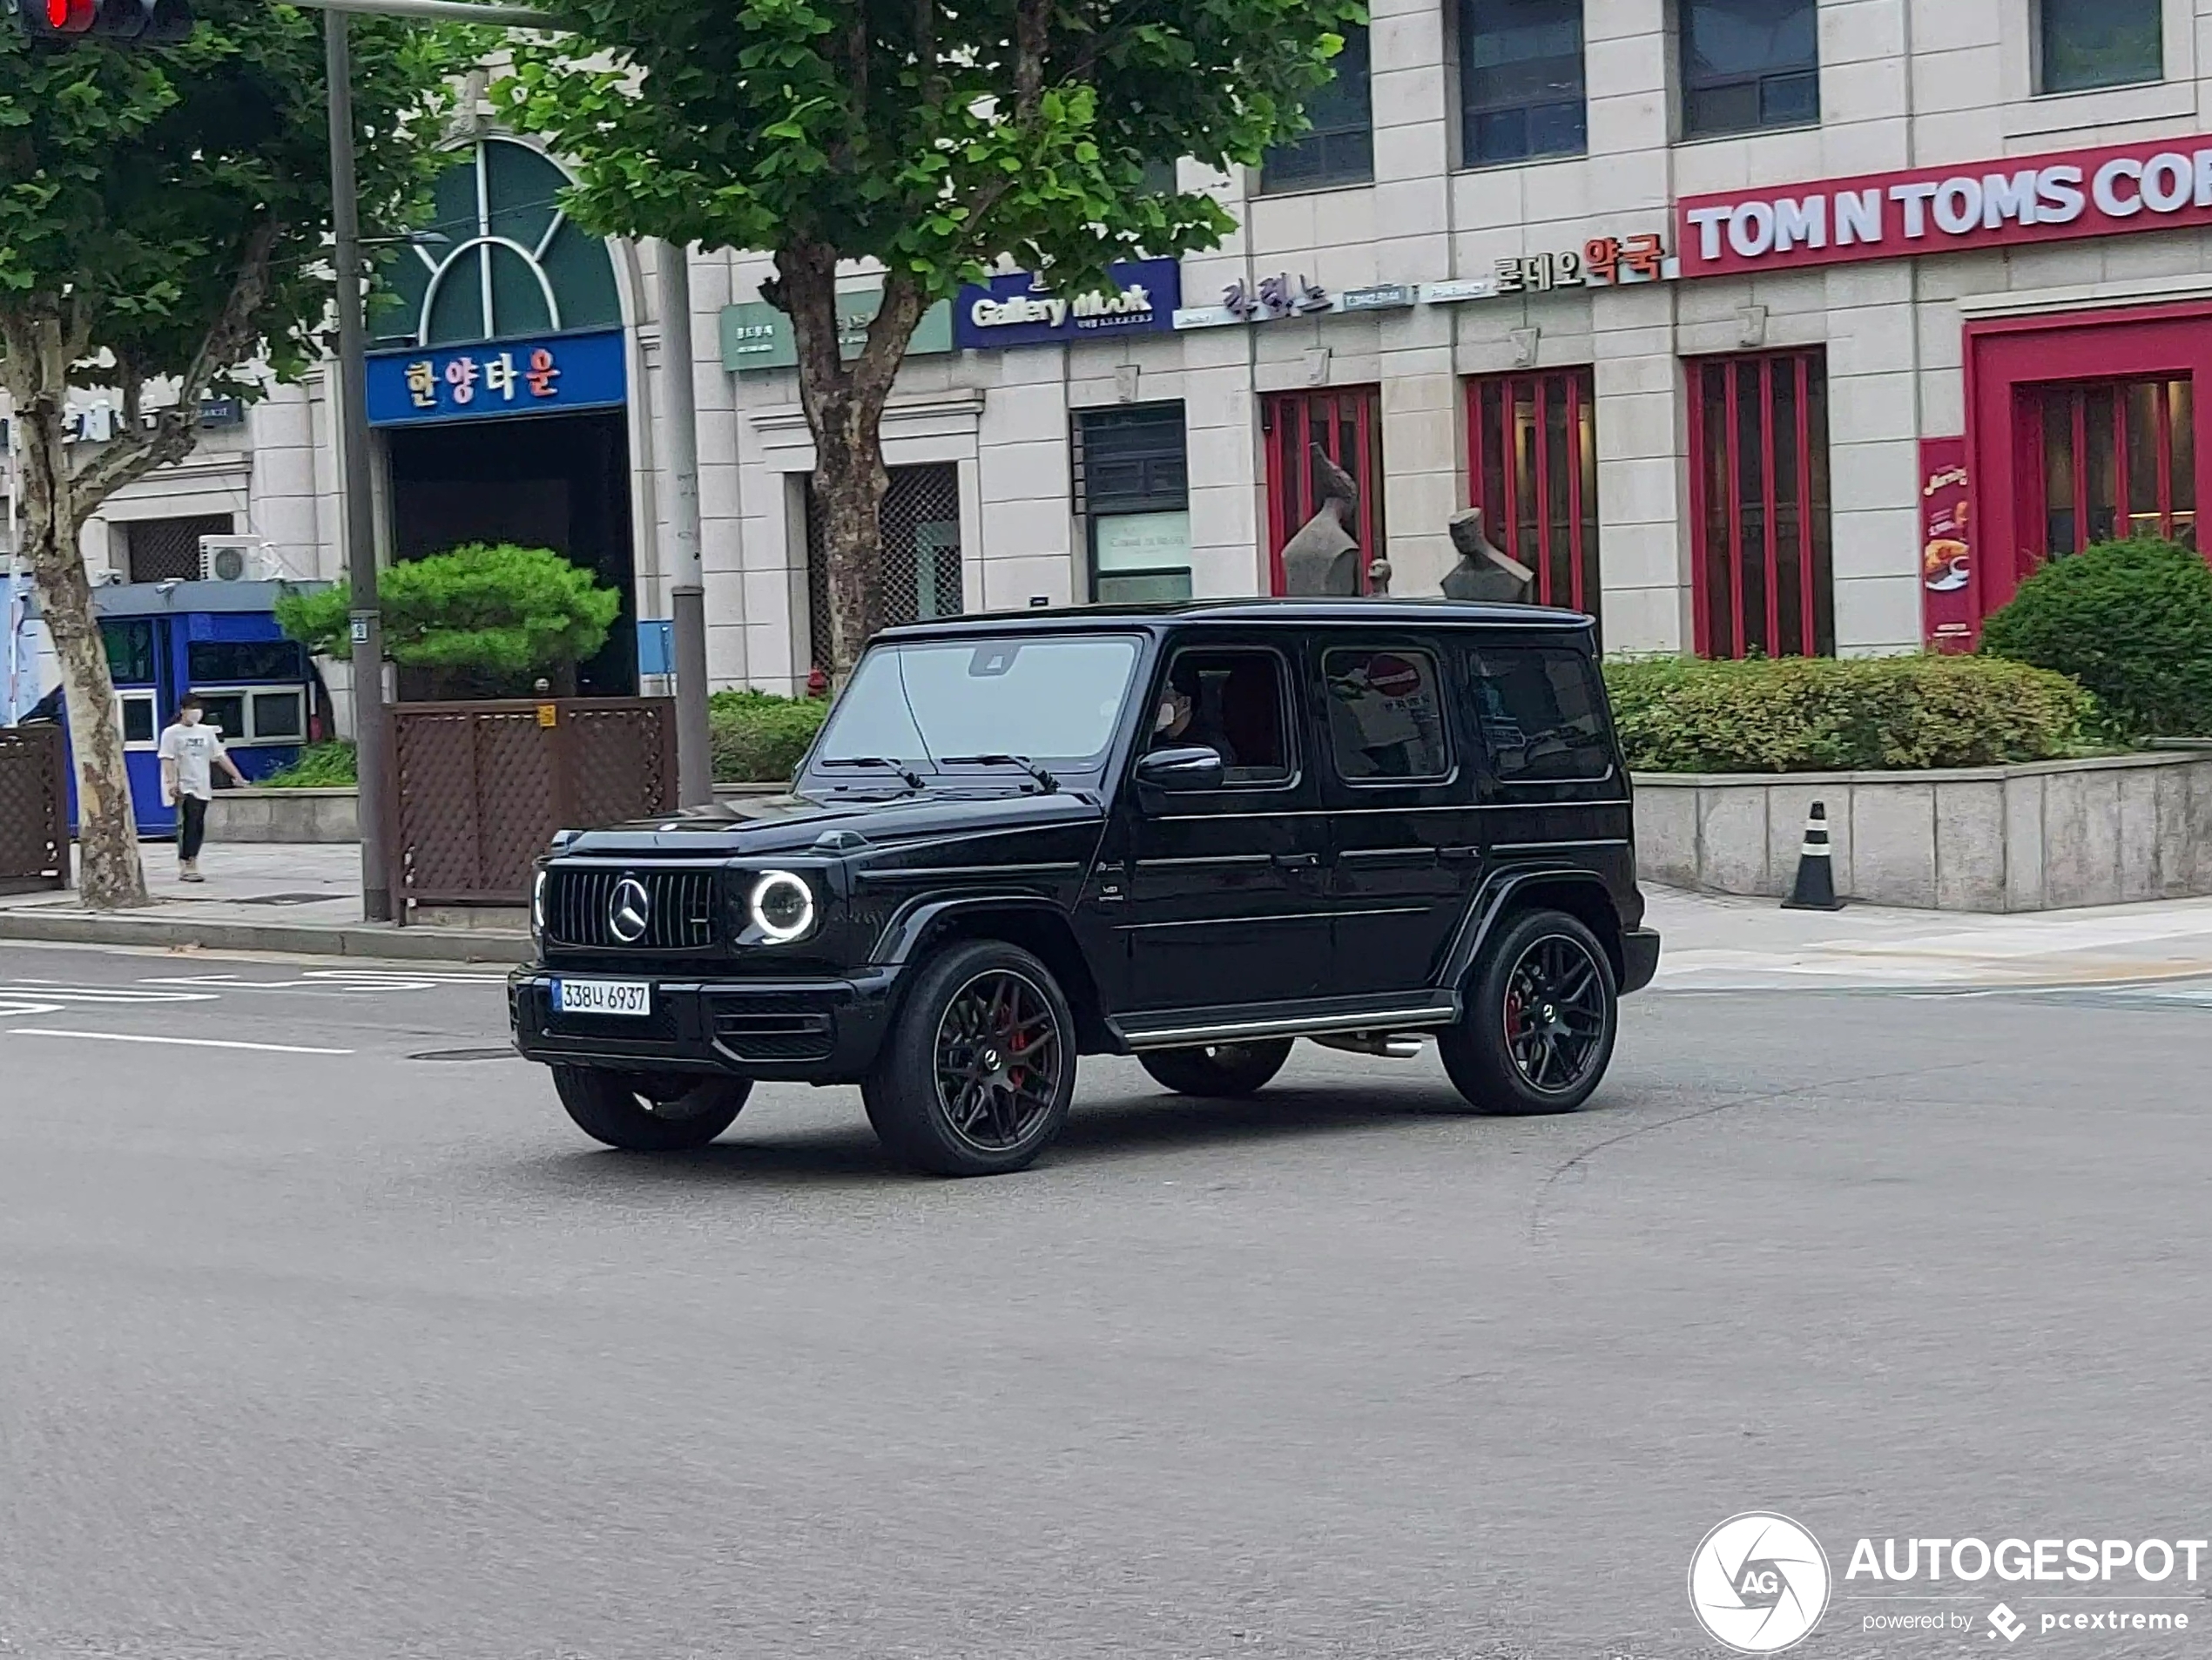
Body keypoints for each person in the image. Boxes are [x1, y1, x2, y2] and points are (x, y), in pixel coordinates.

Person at [157, 694, 247, 882]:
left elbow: (220, 756)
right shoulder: (171, 733)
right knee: (189, 822)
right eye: (192, 709)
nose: (196, 713)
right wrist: (171, 782)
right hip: (183, 784)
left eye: (199, 709)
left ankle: (192, 858)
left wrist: (237, 776)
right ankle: (188, 863)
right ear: (183, 710)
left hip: (202, 782)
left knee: (198, 823)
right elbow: (167, 758)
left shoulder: (206, 732)